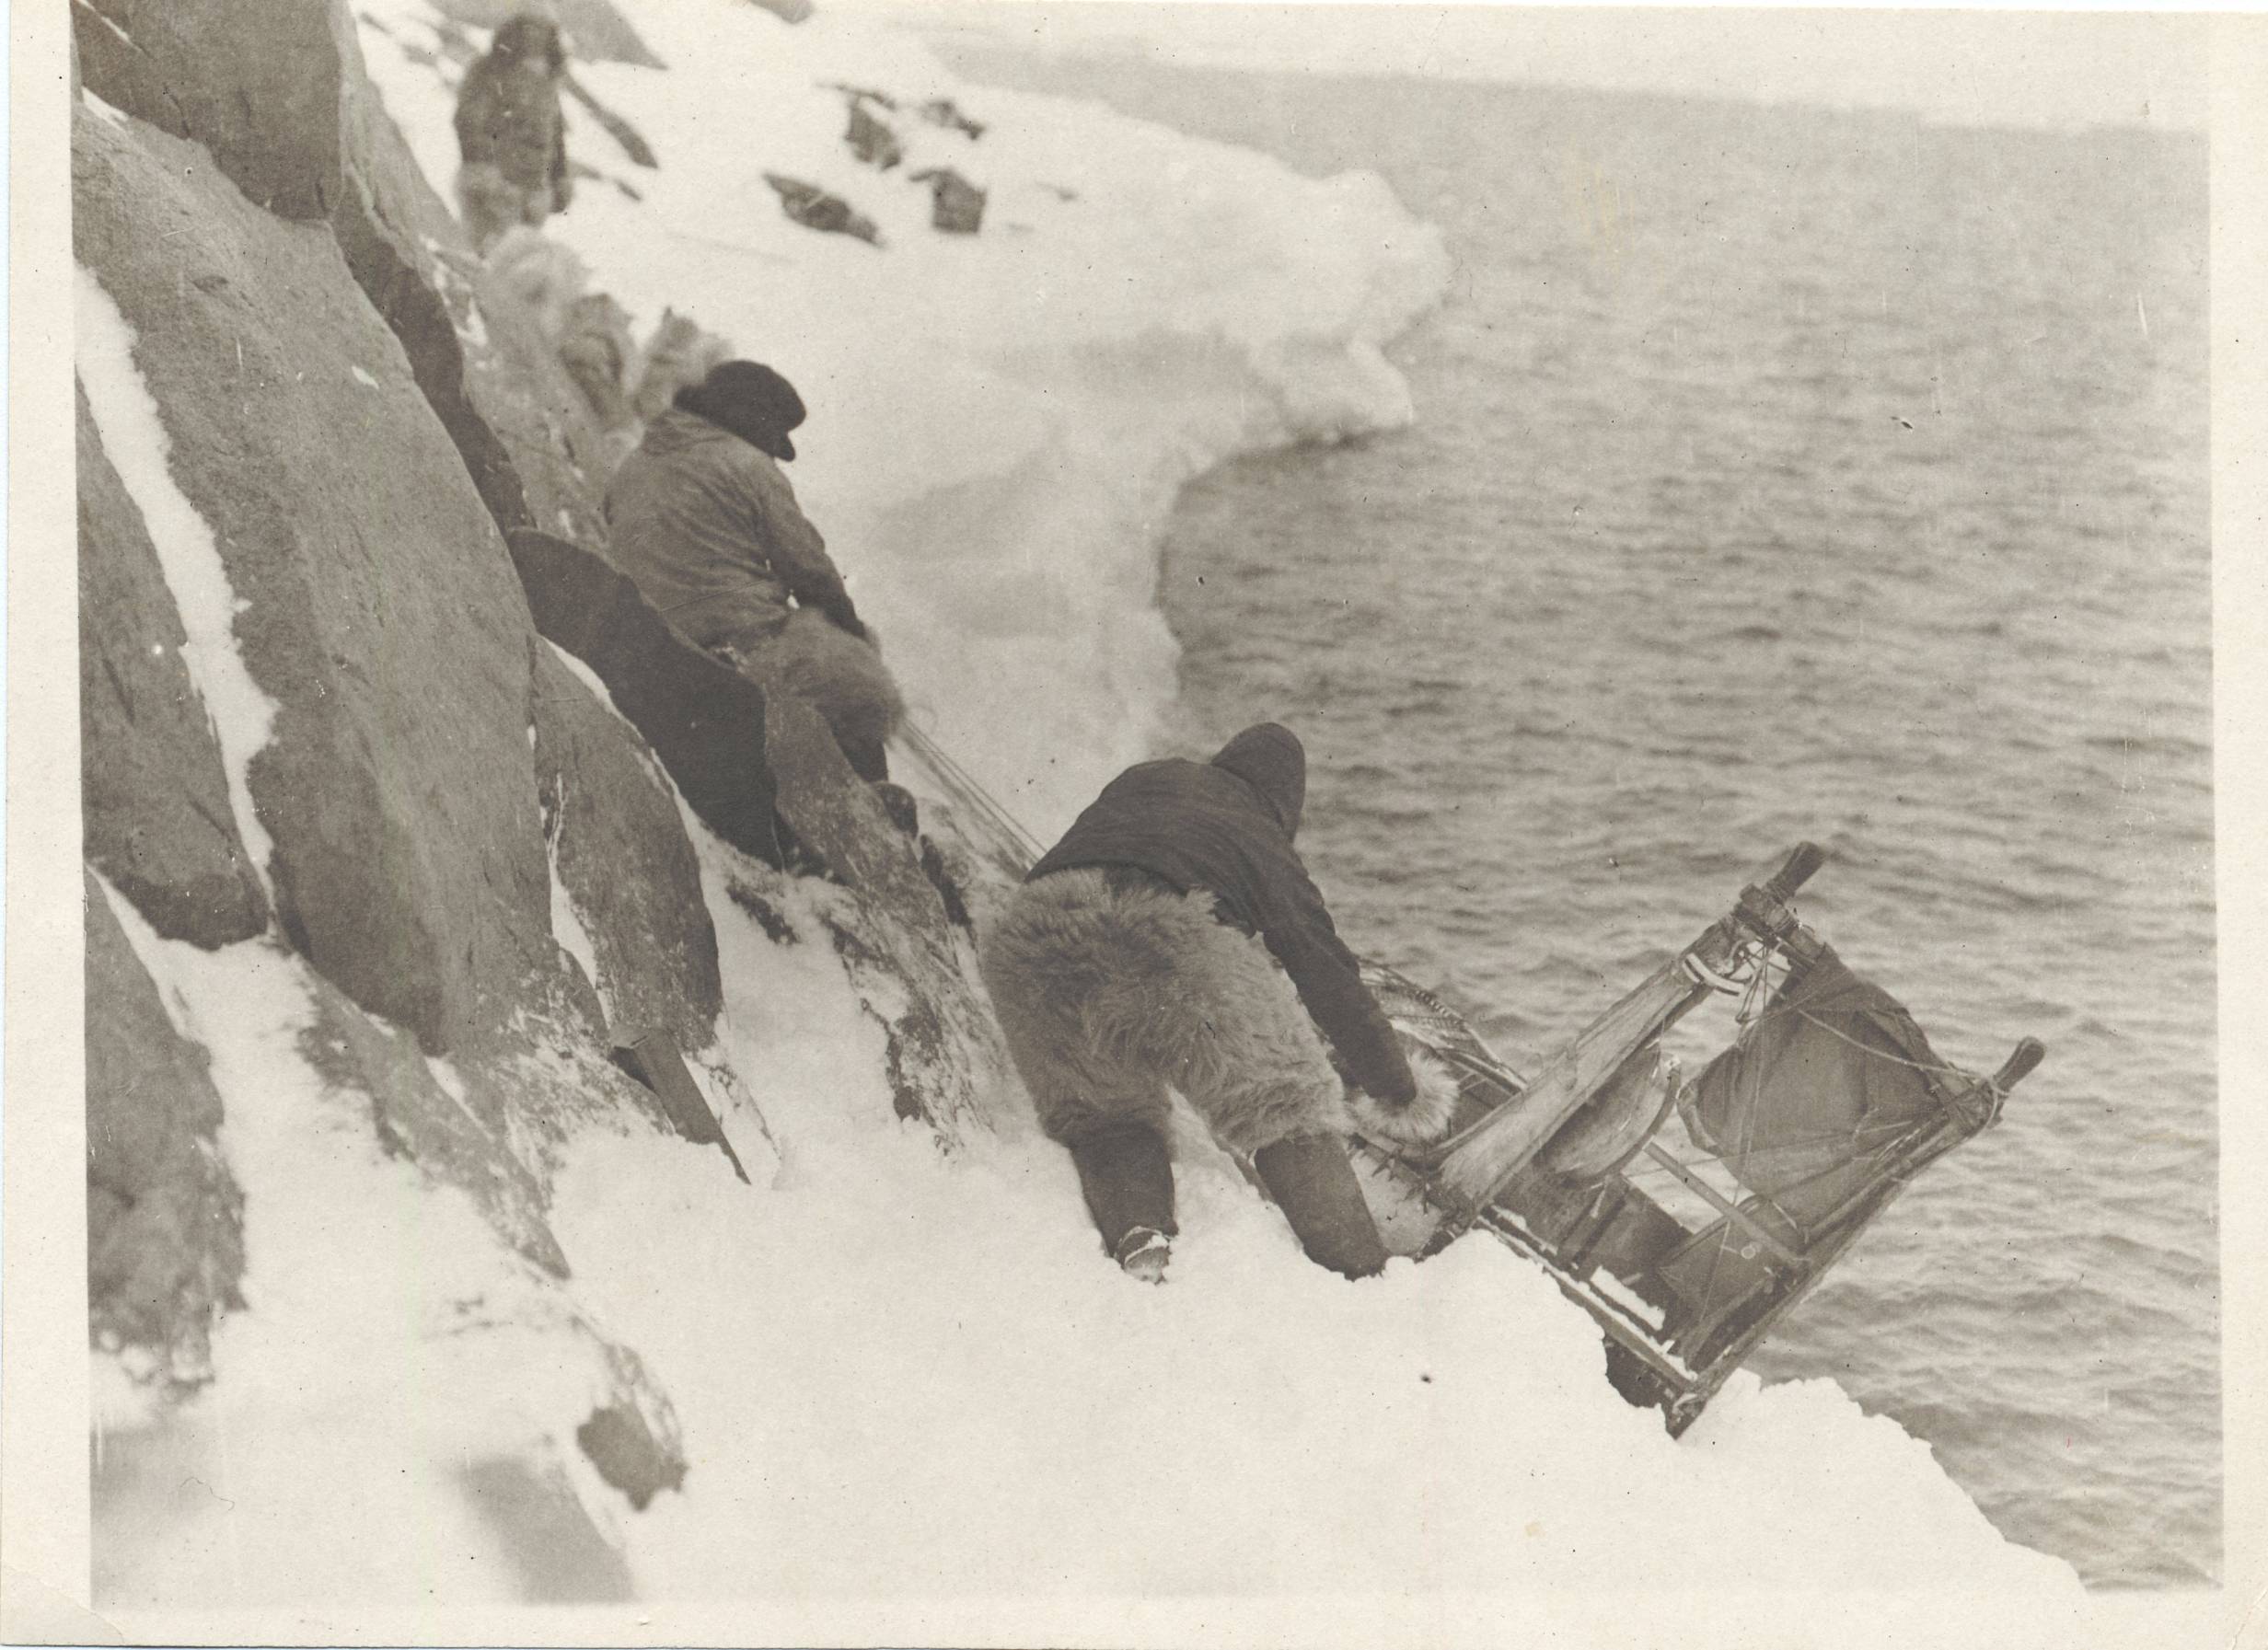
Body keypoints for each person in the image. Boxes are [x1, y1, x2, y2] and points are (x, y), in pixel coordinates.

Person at [978, 723, 1457, 1282]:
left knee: (1103, 1114)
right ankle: (1364, 1273)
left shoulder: (1147, 778)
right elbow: (1329, 979)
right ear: (1284, 803)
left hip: (1031, 941)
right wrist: (1398, 1089)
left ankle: (1141, 1236)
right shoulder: (1263, 836)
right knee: (1285, 1102)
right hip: (1157, 935)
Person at [604, 360, 904, 783]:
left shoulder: (636, 461)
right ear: (753, 420)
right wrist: (853, 634)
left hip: (644, 637)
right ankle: (867, 807)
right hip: (726, 645)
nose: (773, 451)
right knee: (858, 690)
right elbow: (810, 571)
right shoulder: (749, 467)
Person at [453, 15, 572, 255]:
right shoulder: (489, 72)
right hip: (494, 188)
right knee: (490, 262)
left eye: (542, 33)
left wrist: (560, 178)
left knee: (513, 266)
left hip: (532, 192)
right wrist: (483, 170)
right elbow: (469, 120)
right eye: (528, 31)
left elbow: (554, 136)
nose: (535, 39)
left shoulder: (548, 83)